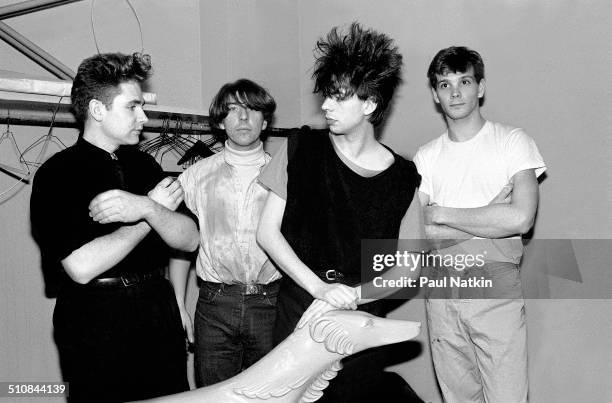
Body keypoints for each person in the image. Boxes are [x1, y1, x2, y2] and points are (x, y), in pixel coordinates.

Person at [257, 22, 423, 402]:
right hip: (300, 304)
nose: (326, 106)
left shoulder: (403, 178)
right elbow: (267, 232)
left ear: (369, 104)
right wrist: (320, 290)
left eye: (339, 97)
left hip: (360, 313)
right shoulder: (300, 148)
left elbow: (408, 266)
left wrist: (353, 295)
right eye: (326, 96)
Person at [30, 52, 198, 402]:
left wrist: (147, 207)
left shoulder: (147, 165)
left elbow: (191, 238)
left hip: (157, 308)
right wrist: (147, 216)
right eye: (133, 107)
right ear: (97, 110)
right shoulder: (57, 175)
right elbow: (80, 267)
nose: (144, 117)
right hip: (95, 317)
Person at [414, 46, 546, 402]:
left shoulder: (513, 142)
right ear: (435, 95)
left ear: (480, 87)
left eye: (464, 81)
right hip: (441, 295)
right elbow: (414, 232)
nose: (455, 92)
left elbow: (521, 217)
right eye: (444, 84)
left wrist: (440, 212)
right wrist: (489, 217)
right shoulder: (426, 157)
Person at [169, 79, 281, 387]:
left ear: (265, 119)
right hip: (215, 306)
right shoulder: (194, 177)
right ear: (221, 120)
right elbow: (182, 245)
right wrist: (178, 303)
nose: (243, 119)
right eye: (233, 110)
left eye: (252, 110)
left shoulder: (286, 176)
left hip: (271, 303)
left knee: (273, 394)